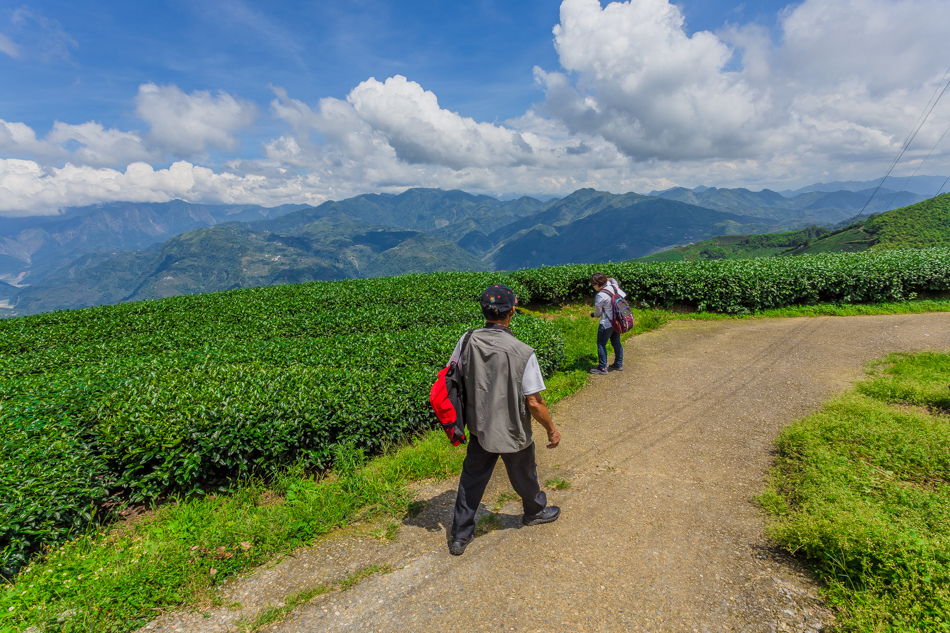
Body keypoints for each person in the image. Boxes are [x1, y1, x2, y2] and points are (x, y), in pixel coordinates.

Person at [446, 283, 562, 556]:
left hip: (480, 426)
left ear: (484, 311)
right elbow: (534, 402)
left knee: (471, 480)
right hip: (513, 429)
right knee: (524, 473)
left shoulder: (466, 339)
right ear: (512, 312)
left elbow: (453, 376)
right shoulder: (523, 352)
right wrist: (551, 429)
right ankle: (534, 512)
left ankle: (460, 536)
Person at [589, 272, 625, 375]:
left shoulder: (600, 295)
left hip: (606, 324)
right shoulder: (613, 287)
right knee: (616, 343)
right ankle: (618, 364)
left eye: (593, 284)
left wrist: (593, 314)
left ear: (598, 284)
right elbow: (613, 280)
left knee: (601, 344)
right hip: (617, 321)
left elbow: (597, 313)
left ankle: (603, 368)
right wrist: (606, 279)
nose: (593, 286)